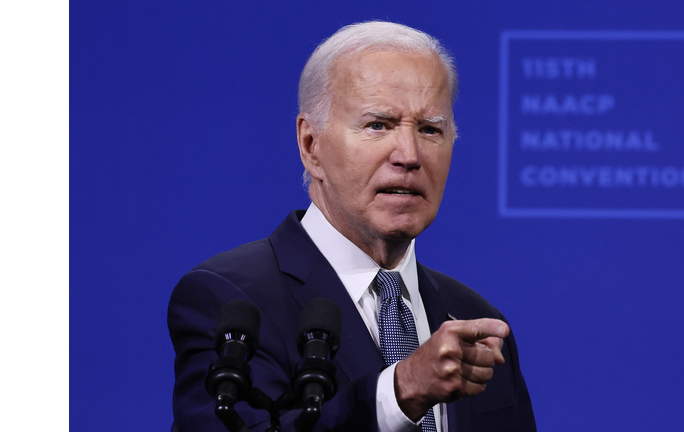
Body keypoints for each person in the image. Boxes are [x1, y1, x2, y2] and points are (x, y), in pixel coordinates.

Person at [168, 21, 536, 432]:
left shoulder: (474, 320)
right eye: (378, 125)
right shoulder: (231, 301)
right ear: (311, 146)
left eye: (430, 129)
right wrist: (399, 394)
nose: (409, 155)